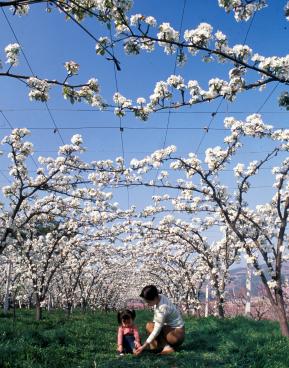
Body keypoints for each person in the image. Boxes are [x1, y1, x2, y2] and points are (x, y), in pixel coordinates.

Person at [135, 285, 185, 355]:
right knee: (152, 326)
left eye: (148, 302)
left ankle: (166, 347)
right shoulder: (160, 297)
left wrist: (144, 346)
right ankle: (159, 347)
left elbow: (156, 330)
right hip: (178, 332)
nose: (147, 304)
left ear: (155, 297)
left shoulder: (162, 308)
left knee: (150, 326)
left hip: (176, 335)